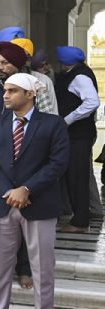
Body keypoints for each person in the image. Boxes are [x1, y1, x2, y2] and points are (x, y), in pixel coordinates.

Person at [0, 73, 69, 309]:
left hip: (39, 206)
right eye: (5, 90)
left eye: (13, 91)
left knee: (42, 270)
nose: (6, 95)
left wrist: (27, 189)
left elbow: (58, 163)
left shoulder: (53, 124)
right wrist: (10, 191)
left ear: (31, 94)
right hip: (2, 205)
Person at [55, 46, 100, 233]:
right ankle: (78, 217)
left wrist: (68, 119)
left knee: (78, 177)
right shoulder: (77, 73)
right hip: (76, 135)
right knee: (74, 176)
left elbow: (92, 101)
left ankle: (80, 222)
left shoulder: (80, 76)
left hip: (79, 135)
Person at [11, 38, 58, 115]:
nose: (24, 61)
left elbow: (51, 115)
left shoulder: (42, 81)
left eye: (27, 57)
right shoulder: (0, 83)